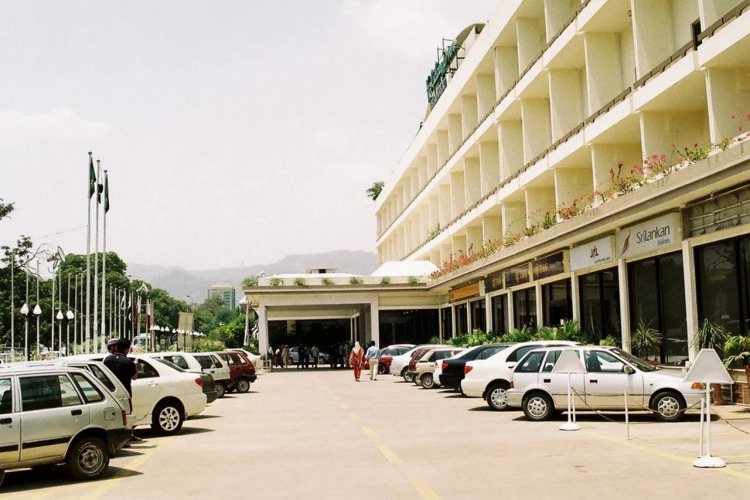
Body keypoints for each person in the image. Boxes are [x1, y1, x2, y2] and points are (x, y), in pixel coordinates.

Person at [104, 338, 141, 443]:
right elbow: (134, 377)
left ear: (117, 347)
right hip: (124, 393)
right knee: (126, 416)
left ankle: (116, 439)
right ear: (127, 349)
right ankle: (126, 438)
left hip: (110, 392)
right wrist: (135, 366)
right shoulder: (128, 362)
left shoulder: (107, 360)